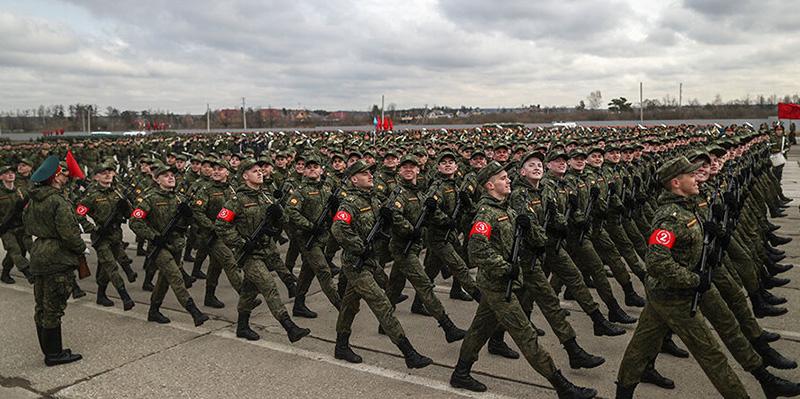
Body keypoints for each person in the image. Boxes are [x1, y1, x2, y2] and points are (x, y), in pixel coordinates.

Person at [615, 157, 800, 399]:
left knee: (728, 326)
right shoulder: (668, 218)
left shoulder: (689, 206)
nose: (697, 178)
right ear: (676, 183)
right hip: (673, 295)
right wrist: (694, 279)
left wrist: (711, 250)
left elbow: (696, 239)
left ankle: (765, 379)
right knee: (711, 354)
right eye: (690, 175)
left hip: (693, 283)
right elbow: (657, 263)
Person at [450, 161, 596, 399]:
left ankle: (460, 373)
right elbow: (475, 251)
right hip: (497, 285)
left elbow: (537, 239)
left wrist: (528, 227)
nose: (509, 181)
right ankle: (562, 386)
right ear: (489, 185)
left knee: (479, 330)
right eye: (503, 178)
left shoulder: (506, 209)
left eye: (508, 177)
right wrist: (505, 268)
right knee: (526, 334)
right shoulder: (485, 214)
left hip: (501, 283)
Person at [331, 160, 432, 368]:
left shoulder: (375, 200)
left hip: (370, 262)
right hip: (356, 264)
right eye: (364, 173)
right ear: (353, 179)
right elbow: (338, 228)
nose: (370, 176)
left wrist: (385, 220)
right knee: (382, 304)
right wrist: (360, 247)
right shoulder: (350, 202)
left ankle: (341, 346)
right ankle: (409, 353)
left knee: (349, 305)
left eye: (370, 172)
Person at [215, 158, 310, 343]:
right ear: (244, 176)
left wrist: (279, 213)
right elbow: (220, 225)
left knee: (249, 292)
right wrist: (241, 243)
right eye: (254, 171)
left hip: (265, 251)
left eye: (260, 170)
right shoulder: (236, 200)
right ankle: (290, 327)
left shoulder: (265, 197)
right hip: (249, 255)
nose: (259, 173)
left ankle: (242, 326)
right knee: (269, 285)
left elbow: (285, 220)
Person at [129, 163, 209, 327]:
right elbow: (135, 222)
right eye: (165, 175)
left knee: (164, 280)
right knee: (176, 277)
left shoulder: (179, 199)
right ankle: (194, 311)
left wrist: (188, 215)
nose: (171, 177)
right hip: (159, 247)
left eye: (172, 175)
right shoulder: (149, 199)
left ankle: (153, 311)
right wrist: (153, 237)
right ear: (158, 180)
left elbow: (189, 223)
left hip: (177, 245)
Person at [23, 155, 84, 366]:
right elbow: (69, 234)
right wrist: (81, 248)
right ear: (56, 177)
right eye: (63, 173)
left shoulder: (34, 198)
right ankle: (54, 354)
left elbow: (27, 223)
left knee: (41, 305)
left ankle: (49, 350)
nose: (67, 177)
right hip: (57, 257)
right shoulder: (57, 200)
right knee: (54, 307)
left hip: (39, 252)